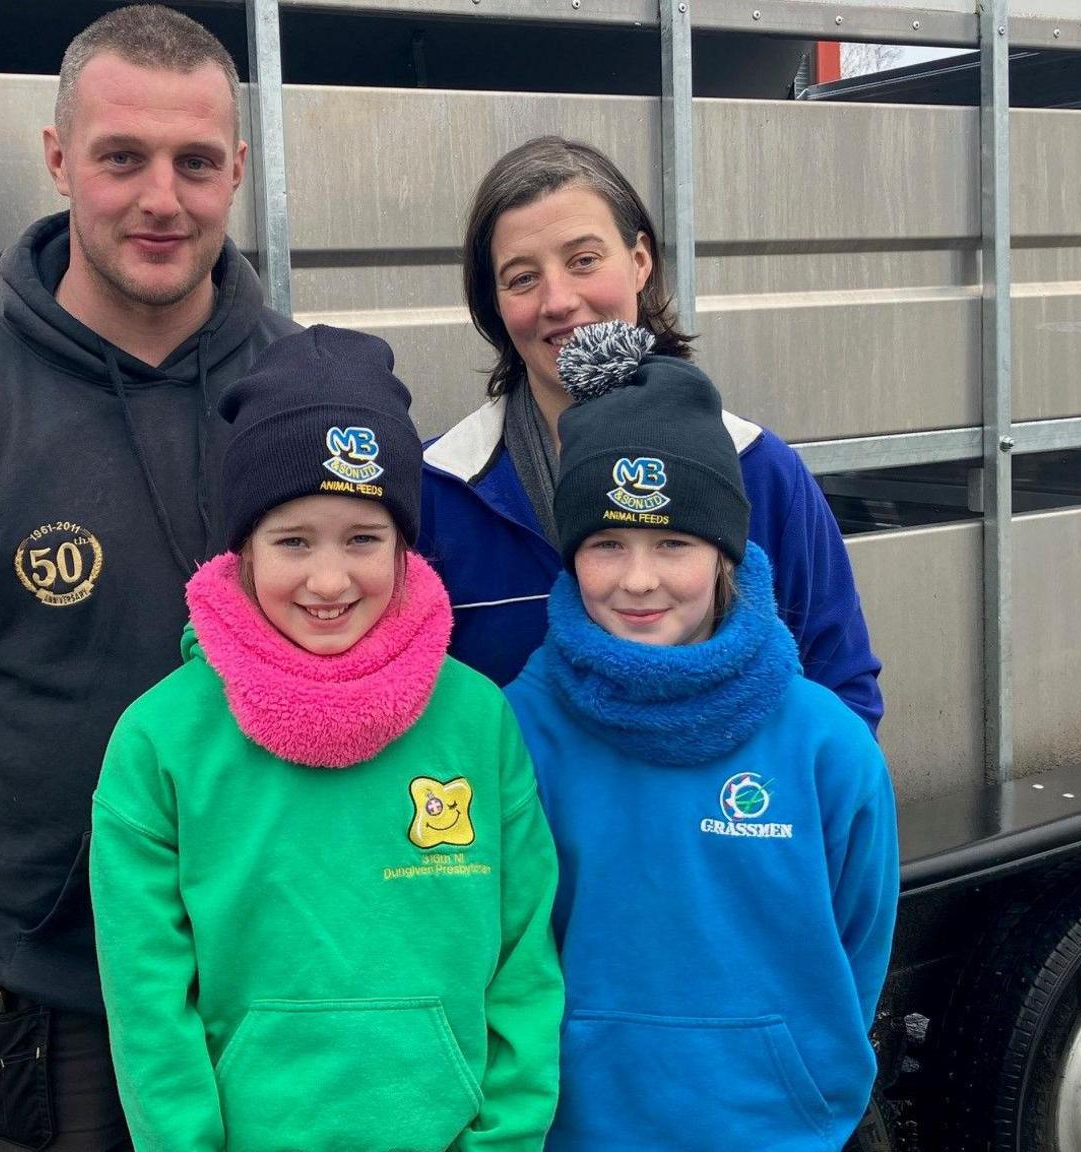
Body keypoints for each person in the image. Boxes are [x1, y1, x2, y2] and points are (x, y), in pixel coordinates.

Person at [0, 7, 294, 1149]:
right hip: (58, 1005)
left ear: (237, 168)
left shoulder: (312, 405)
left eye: (192, 162)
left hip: (288, 976)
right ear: (58, 158)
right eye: (120, 157)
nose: (159, 199)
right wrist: (32, 880)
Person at [90, 326, 564, 1152]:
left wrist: (508, 1137)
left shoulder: (477, 719)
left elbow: (524, 961)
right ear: (241, 548)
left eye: (363, 538)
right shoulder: (159, 740)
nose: (329, 580)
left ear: (407, 545)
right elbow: (148, 1004)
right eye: (292, 540)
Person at [504, 322, 898, 1151]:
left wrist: (800, 1069)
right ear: (571, 555)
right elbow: (501, 952)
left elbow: (857, 941)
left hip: (779, 1128)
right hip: (576, 1130)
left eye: (673, 543)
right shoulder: (519, 732)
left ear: (725, 554)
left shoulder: (825, 747)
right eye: (606, 543)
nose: (639, 579)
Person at [418, 136, 883, 730]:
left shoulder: (759, 472)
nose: (559, 301)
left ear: (641, 261)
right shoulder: (441, 490)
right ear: (495, 303)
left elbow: (841, 692)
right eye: (522, 278)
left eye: (584, 260)